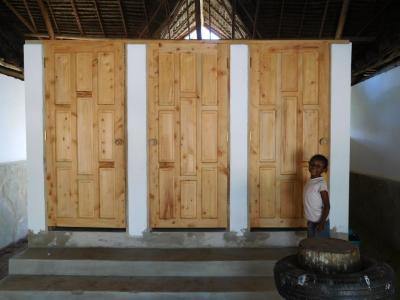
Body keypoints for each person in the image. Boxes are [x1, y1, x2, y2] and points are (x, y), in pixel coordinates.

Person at [304, 154, 330, 238]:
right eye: (312, 164)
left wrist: (322, 223)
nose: (314, 167)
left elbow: (327, 205)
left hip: (320, 223)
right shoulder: (310, 181)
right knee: (311, 244)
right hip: (311, 221)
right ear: (309, 164)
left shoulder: (321, 184)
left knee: (320, 247)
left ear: (324, 169)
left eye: (319, 166)